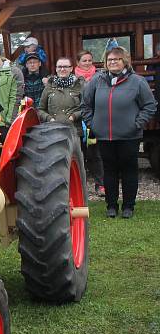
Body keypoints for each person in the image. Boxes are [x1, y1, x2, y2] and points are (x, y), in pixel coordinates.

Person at [81, 46, 157, 218]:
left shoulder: (137, 81)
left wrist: (137, 123)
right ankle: (111, 206)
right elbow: (85, 105)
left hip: (129, 136)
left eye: (117, 59)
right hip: (104, 136)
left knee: (129, 170)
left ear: (125, 62)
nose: (113, 62)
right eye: (110, 60)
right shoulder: (97, 81)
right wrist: (92, 123)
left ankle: (129, 206)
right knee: (109, 170)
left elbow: (150, 106)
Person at [75, 49, 104, 196]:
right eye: (84, 60)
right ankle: (80, 187)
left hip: (93, 121)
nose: (87, 63)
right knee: (79, 155)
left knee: (95, 153)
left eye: (89, 60)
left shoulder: (100, 77)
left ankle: (100, 185)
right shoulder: (72, 78)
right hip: (78, 123)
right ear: (78, 62)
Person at [37, 56, 84, 137]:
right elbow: (40, 110)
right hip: (53, 132)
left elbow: (86, 108)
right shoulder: (49, 86)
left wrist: (73, 117)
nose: (62, 69)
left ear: (71, 68)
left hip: (74, 132)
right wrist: (50, 119)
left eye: (65, 66)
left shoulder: (79, 85)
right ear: (56, 69)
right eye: (59, 67)